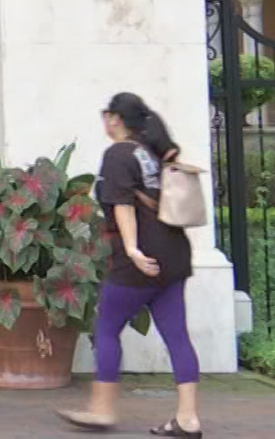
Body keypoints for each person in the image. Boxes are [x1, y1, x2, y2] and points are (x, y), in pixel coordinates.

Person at [60, 93, 200, 437]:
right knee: (177, 335)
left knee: (106, 328)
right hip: (175, 254)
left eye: (107, 115)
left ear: (116, 119)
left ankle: (102, 410)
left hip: (138, 260)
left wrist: (134, 251)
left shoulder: (118, 154)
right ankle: (188, 418)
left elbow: (122, 206)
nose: (105, 122)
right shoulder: (152, 153)